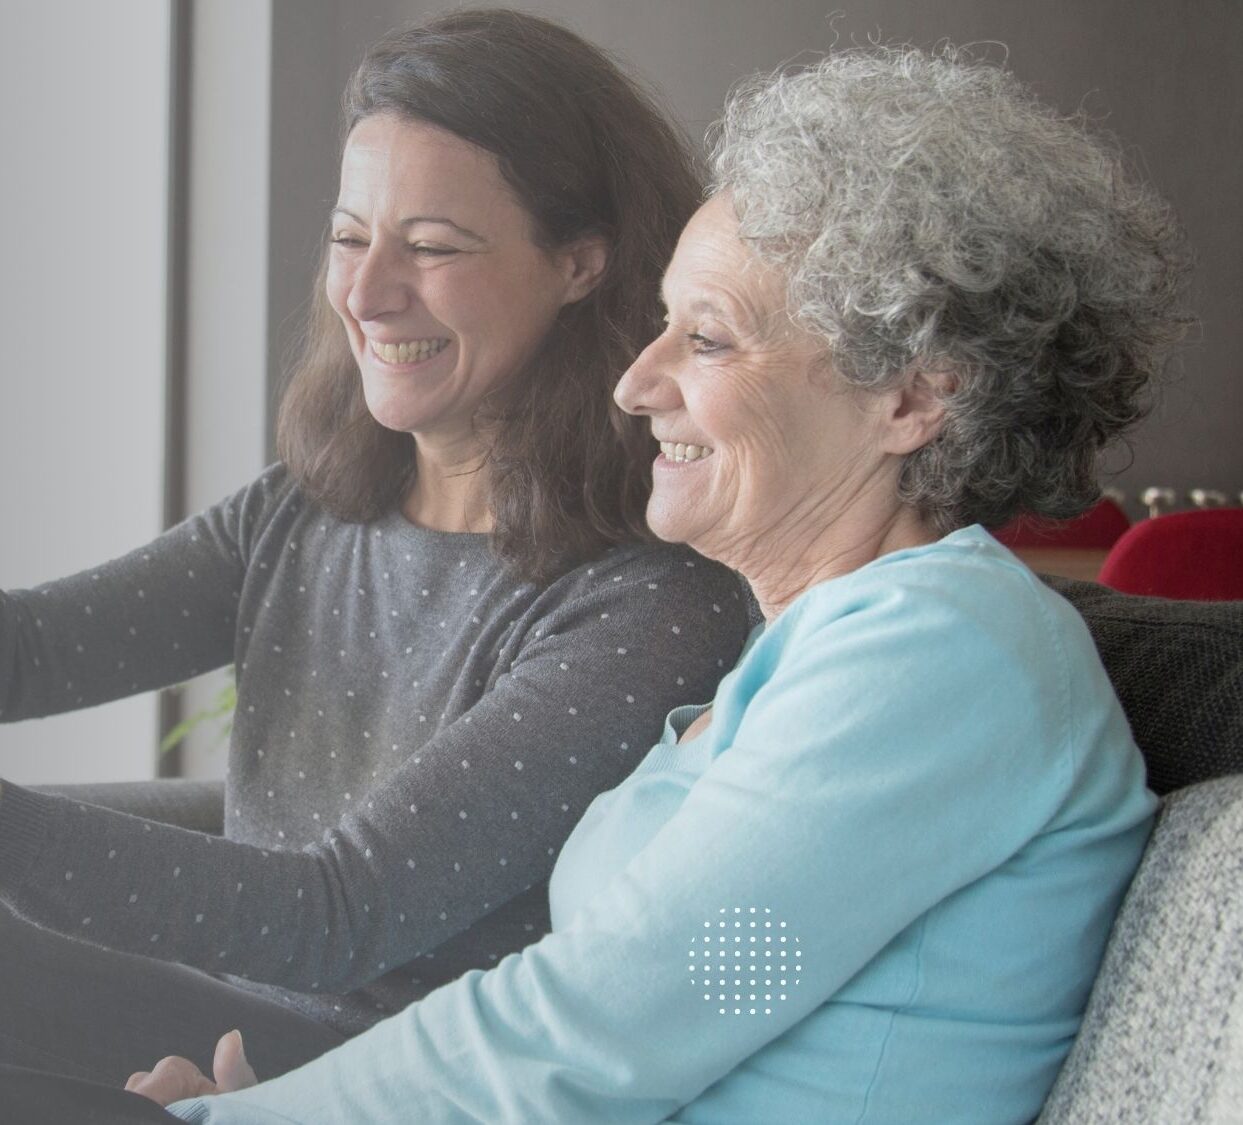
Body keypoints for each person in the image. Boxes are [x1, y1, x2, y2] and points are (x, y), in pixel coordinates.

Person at [7, 41, 1191, 1124]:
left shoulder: (936, 662)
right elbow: (640, 1015)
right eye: (664, 326)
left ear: (912, 400)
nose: (636, 383)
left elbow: (591, 1032)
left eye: (709, 339)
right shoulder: (825, 656)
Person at [0, 7, 749, 1091]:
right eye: (351, 236)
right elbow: (34, 650)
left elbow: (338, 916)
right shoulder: (313, 510)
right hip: (221, 1018)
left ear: (581, 264)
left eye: (433, 248)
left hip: (380, 1076)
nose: (364, 292)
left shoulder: (643, 600)